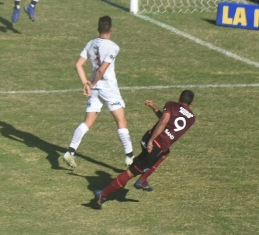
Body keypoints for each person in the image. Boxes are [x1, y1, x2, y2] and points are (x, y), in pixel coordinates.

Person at [95, 90, 196, 209]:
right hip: (154, 145)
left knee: (165, 153)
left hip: (152, 141)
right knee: (132, 172)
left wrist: (154, 110)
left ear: (179, 97)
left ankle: (142, 180)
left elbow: (165, 121)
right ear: (192, 103)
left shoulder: (171, 105)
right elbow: (165, 122)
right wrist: (151, 141)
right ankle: (103, 194)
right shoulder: (192, 118)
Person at [62, 16, 134, 169]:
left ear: (98, 29)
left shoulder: (90, 44)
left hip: (94, 90)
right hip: (108, 89)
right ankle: (130, 157)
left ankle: (70, 151)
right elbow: (102, 69)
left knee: (87, 122)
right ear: (111, 29)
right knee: (121, 121)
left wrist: (86, 84)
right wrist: (92, 83)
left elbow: (78, 65)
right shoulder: (114, 47)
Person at [132, 99, 170, 191]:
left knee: (165, 153)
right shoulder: (176, 109)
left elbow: (163, 119)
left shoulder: (174, 108)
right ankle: (141, 180)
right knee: (135, 169)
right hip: (150, 140)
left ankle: (143, 179)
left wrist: (154, 107)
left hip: (150, 140)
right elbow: (163, 121)